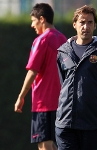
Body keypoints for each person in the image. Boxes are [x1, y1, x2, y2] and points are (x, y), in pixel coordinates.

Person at [55, 5, 97, 150]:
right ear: (75, 24)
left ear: (95, 26)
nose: (85, 26)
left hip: (92, 123)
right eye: (82, 22)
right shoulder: (63, 52)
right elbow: (64, 83)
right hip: (65, 123)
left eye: (90, 22)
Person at [14, 3, 67, 150]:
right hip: (61, 101)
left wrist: (21, 96)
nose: (32, 25)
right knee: (49, 143)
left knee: (44, 145)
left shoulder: (41, 40)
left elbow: (32, 71)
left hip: (44, 102)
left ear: (42, 19)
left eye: (33, 20)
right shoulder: (63, 39)